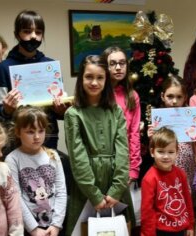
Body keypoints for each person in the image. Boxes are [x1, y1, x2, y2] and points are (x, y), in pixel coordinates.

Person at [64, 55, 134, 235]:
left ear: (106, 80)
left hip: (115, 182)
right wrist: (94, 195)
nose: (94, 82)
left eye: (100, 77)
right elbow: (77, 157)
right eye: (89, 77)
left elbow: (122, 149)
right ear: (81, 79)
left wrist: (117, 189)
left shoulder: (115, 110)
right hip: (86, 185)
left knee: (119, 229)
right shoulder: (73, 114)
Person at [0, 10, 67, 150]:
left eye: (38, 32)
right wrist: (7, 110)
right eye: (27, 31)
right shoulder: (4, 67)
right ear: (17, 34)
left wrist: (61, 110)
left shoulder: (50, 67)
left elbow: (60, 111)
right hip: (17, 137)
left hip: (48, 135)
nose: (33, 36)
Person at [5, 106, 67, 236]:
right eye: (30, 132)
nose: (37, 136)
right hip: (29, 228)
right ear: (18, 132)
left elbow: (61, 192)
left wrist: (56, 225)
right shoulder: (12, 159)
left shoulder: (53, 156)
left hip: (54, 227)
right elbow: (16, 198)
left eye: (41, 130)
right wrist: (33, 229)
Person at [147, 75, 196, 194]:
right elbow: (154, 150)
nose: (174, 101)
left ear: (185, 97)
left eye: (179, 97)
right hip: (167, 166)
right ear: (162, 96)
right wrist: (152, 138)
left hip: (188, 167)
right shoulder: (158, 120)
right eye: (170, 96)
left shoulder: (190, 117)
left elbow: (195, 147)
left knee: (186, 198)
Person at [141, 127, 194, 236]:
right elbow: (147, 212)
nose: (166, 156)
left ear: (177, 152)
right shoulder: (149, 179)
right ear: (152, 152)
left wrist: (190, 224)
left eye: (170, 152)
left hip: (181, 228)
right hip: (161, 231)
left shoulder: (181, 174)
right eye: (160, 151)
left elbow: (187, 200)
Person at [101, 46, 141, 183]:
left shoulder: (132, 96)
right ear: (105, 67)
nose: (118, 67)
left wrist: (133, 168)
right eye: (112, 64)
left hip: (123, 161)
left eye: (122, 63)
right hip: (101, 160)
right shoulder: (97, 94)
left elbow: (134, 133)